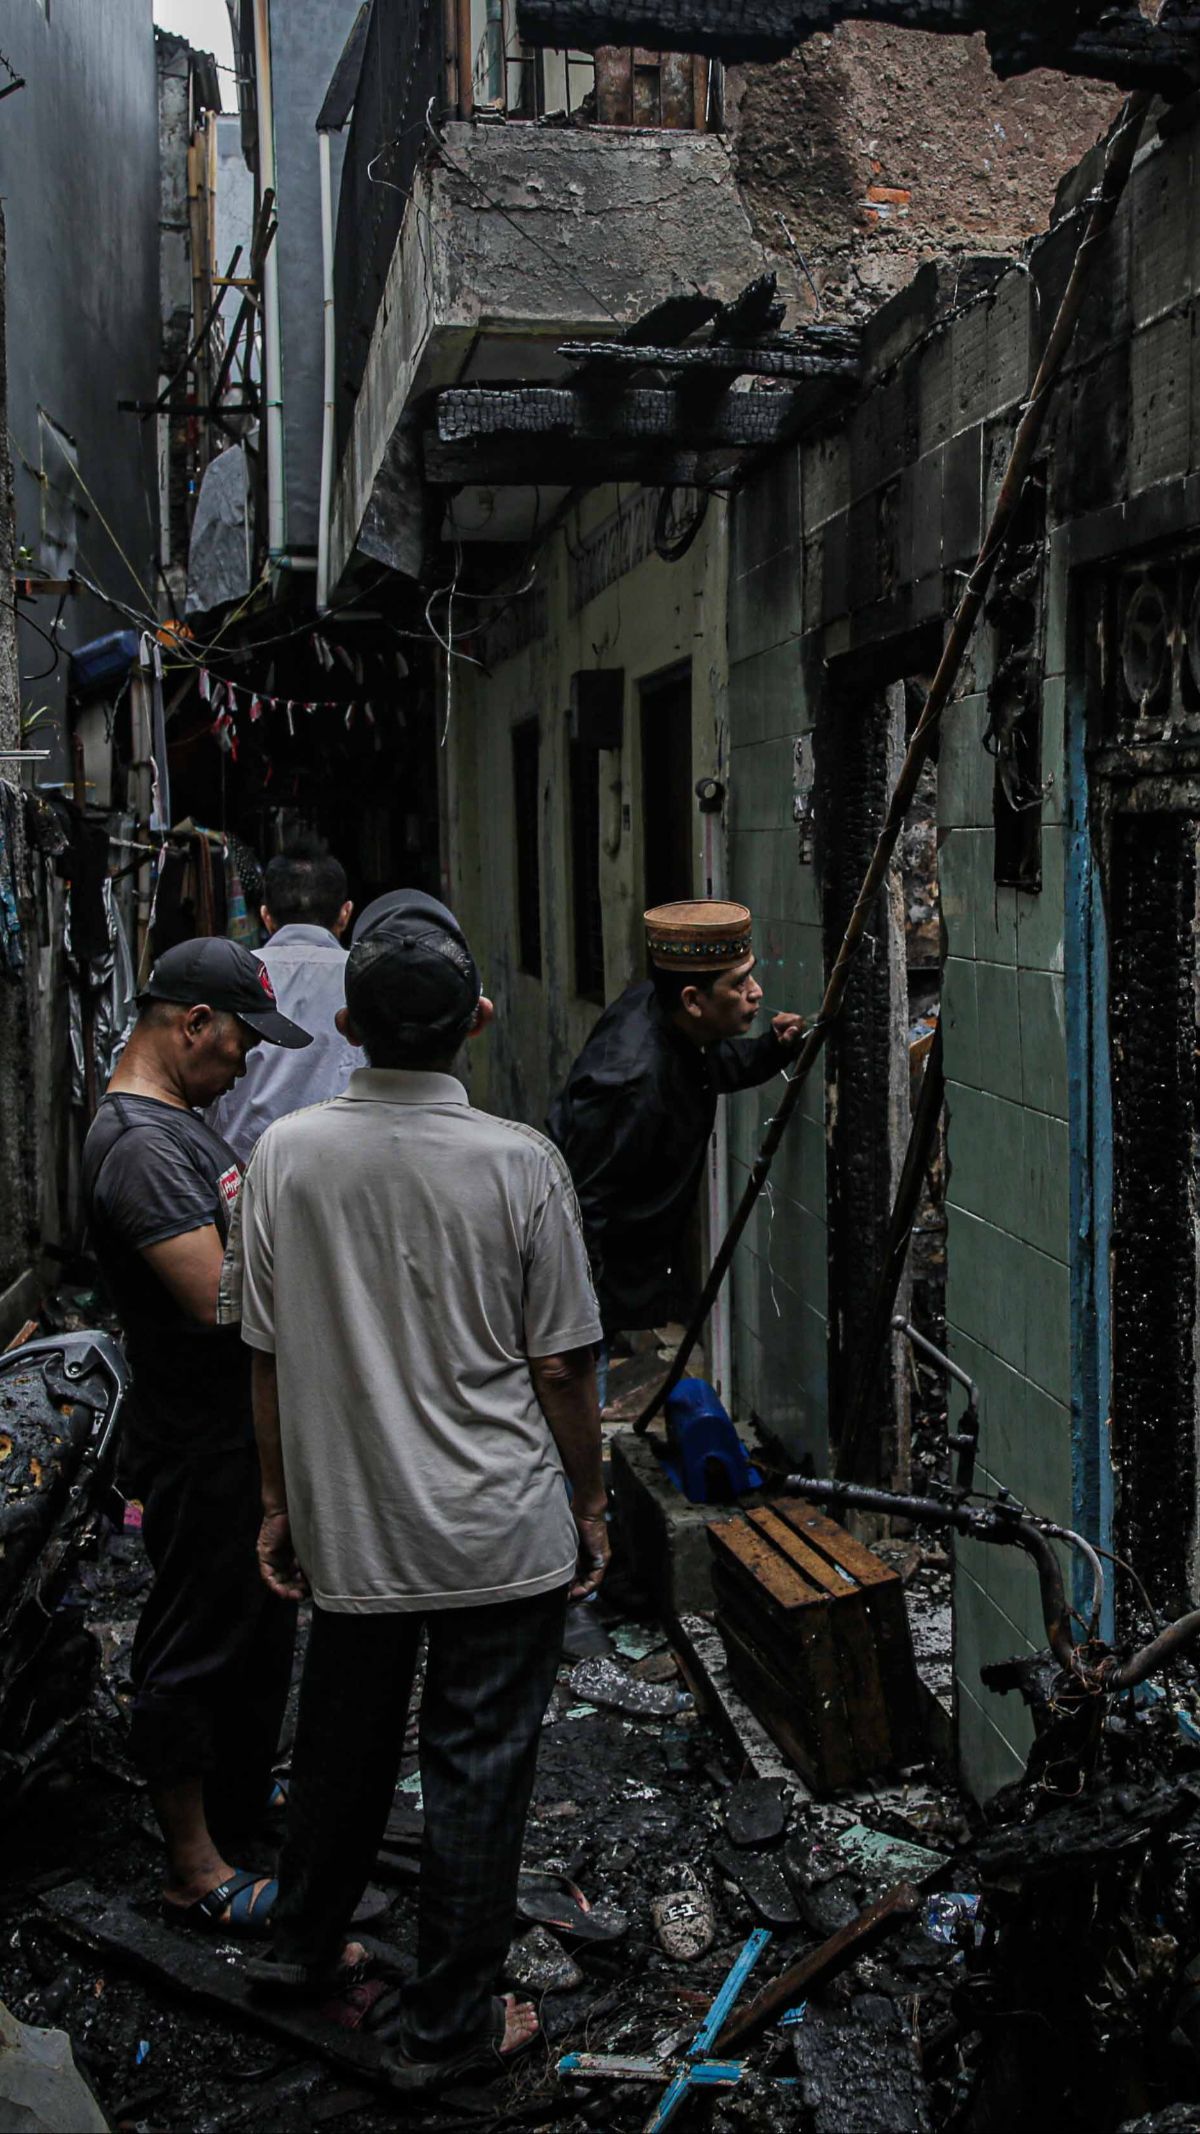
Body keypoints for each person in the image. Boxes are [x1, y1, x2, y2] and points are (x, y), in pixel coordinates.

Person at [226, 891, 607, 2087]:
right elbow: (560, 1368)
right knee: (477, 1767)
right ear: (478, 1021)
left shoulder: (283, 1158)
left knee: (339, 1744)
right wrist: (588, 1504)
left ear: (343, 1021)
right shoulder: (521, 1163)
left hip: (355, 1528)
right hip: (498, 1529)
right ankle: (451, 2023)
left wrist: (282, 1504)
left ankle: (298, 1943)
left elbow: (268, 1360)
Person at [82, 938, 312, 1934]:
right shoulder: (139, 1147)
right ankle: (191, 1863)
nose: (247, 1064)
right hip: (197, 1442)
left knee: (256, 1634)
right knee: (193, 1642)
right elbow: (220, 1303)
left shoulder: (180, 1122)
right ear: (192, 1024)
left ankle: (238, 1801)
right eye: (240, 1044)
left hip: (235, 1436)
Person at [548, 900, 806, 1368]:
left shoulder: (666, 1019)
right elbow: (582, 1207)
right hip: (582, 1293)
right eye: (739, 983)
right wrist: (574, 1328)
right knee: (580, 1408)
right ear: (693, 999)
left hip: (611, 1279)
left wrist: (772, 1050)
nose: (756, 992)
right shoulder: (631, 1083)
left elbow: (706, 1069)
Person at [207, 838, 359, 1161]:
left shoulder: (231, 977)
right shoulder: (364, 978)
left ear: (266, 917)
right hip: (342, 1178)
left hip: (243, 1183)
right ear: (345, 915)